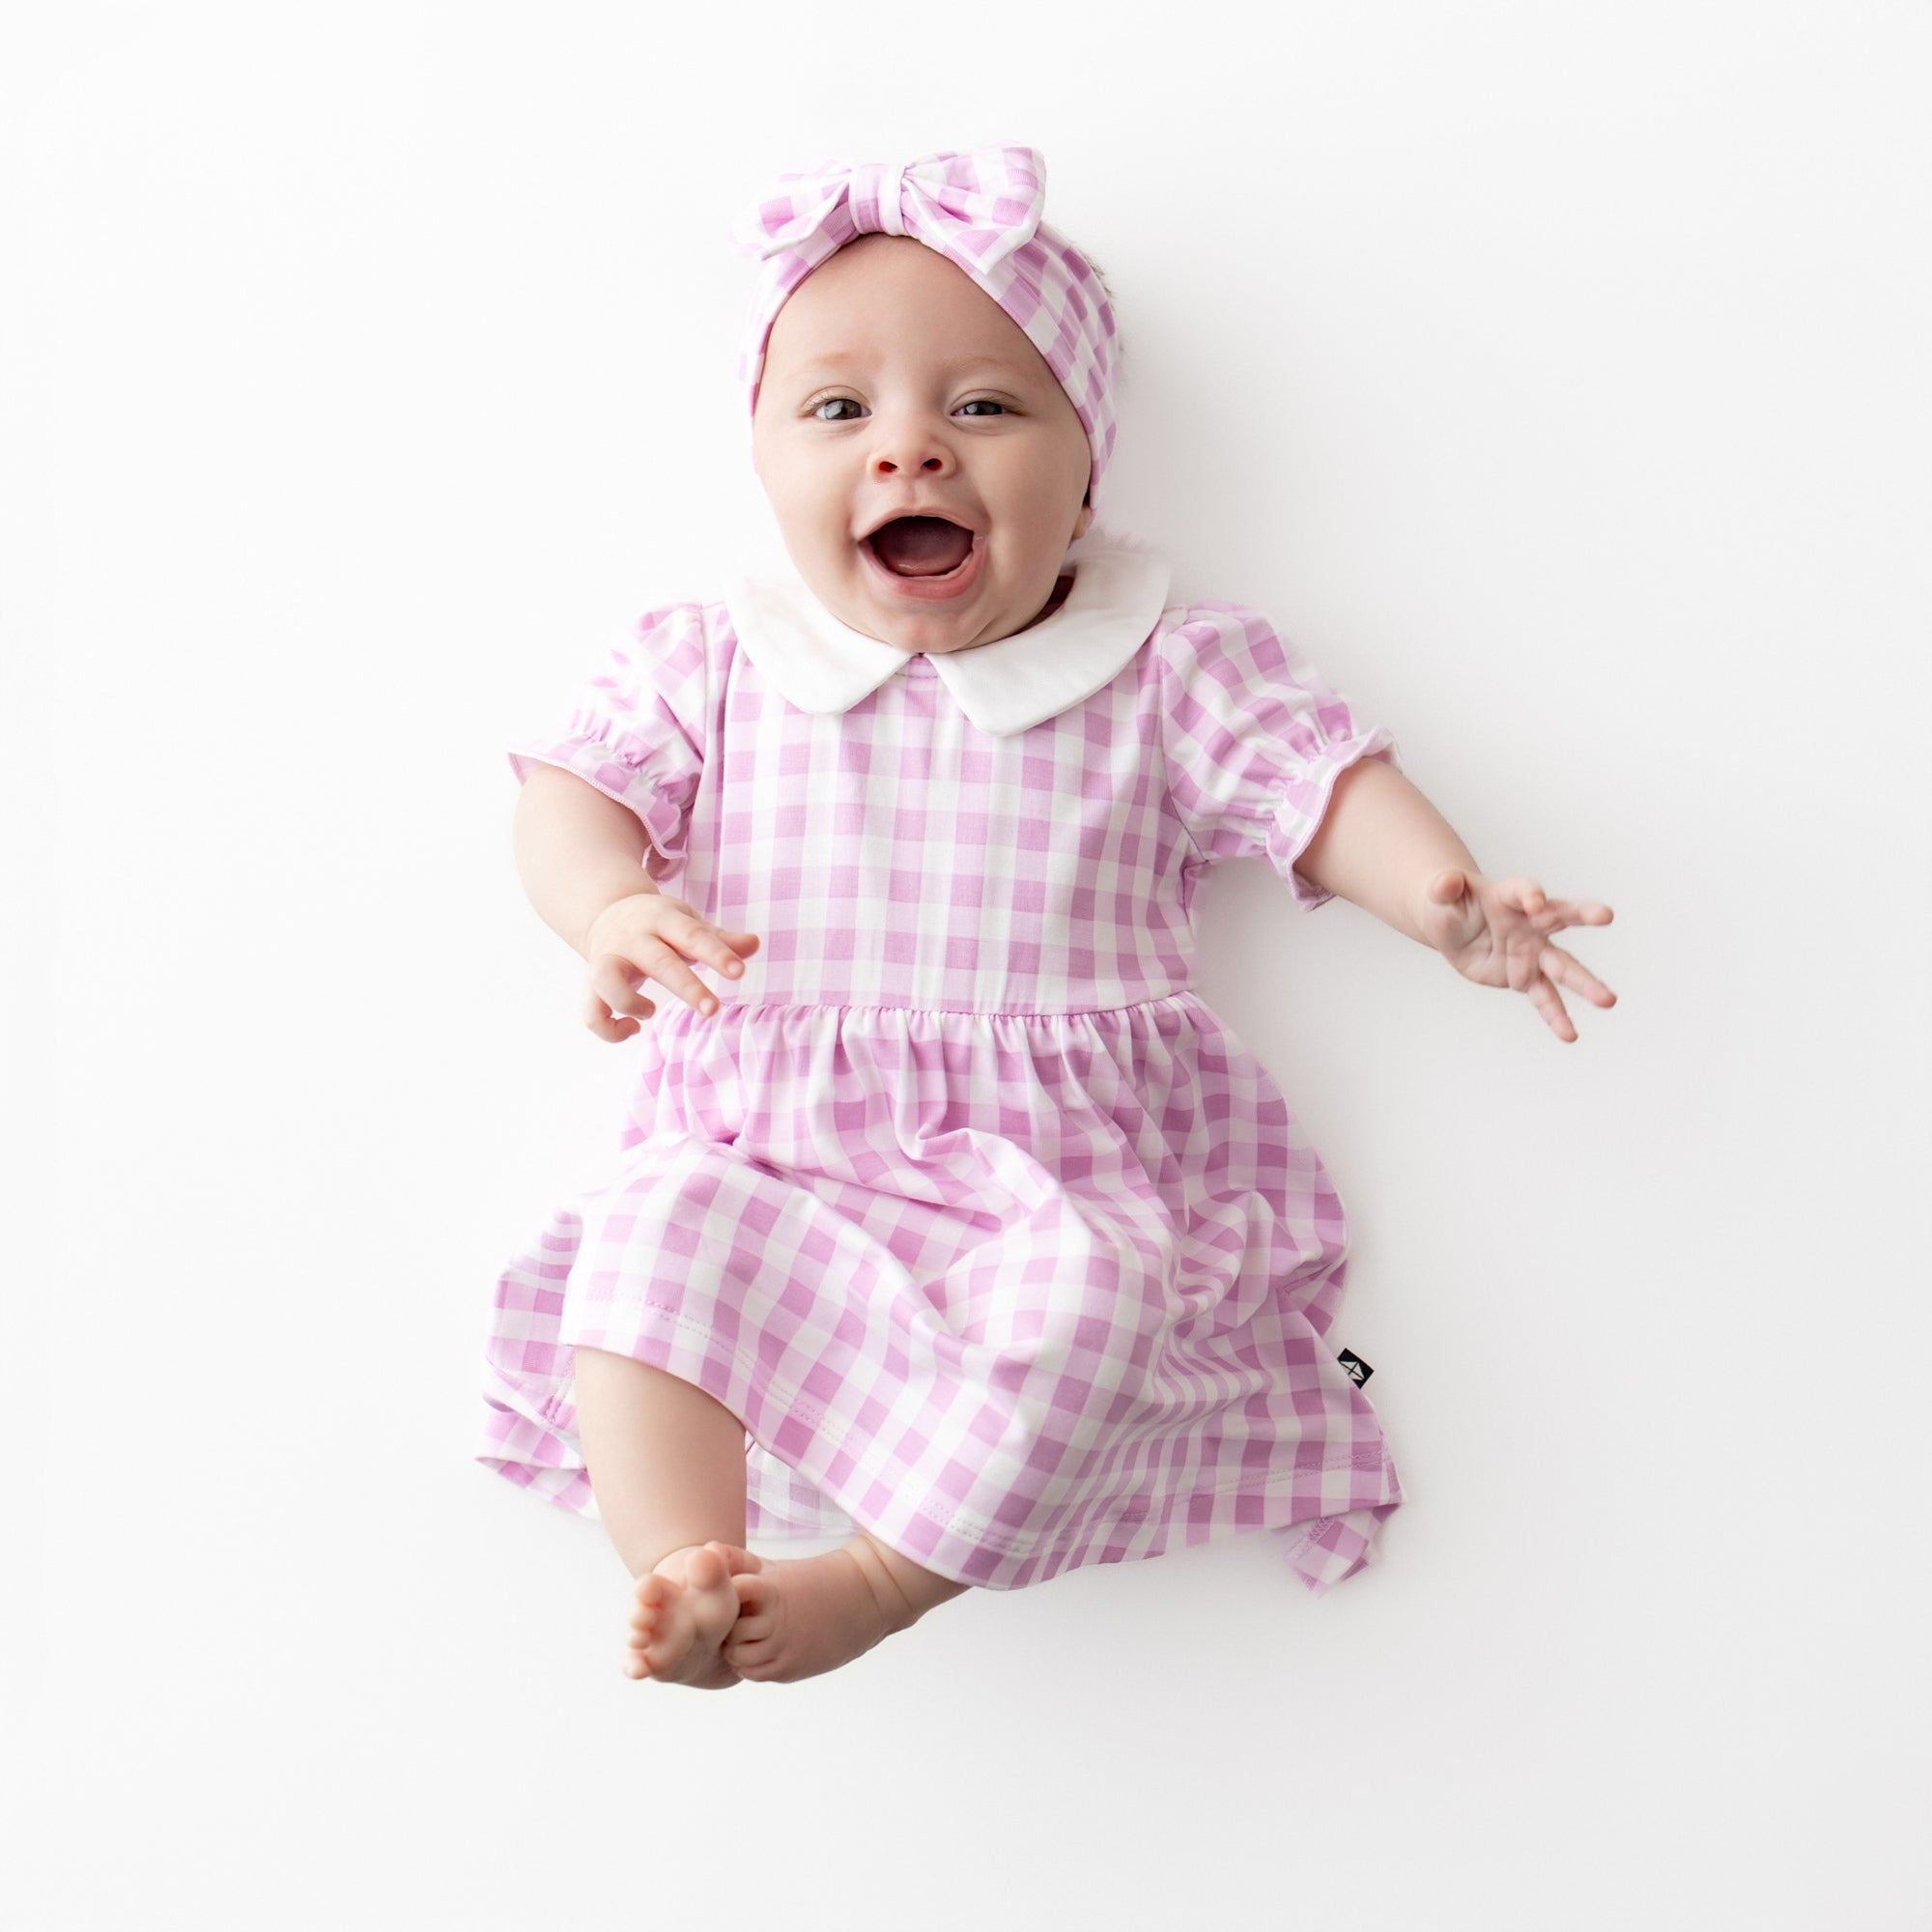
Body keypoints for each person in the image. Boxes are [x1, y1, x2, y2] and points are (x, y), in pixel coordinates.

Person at [475, 145, 1618, 1691]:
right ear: (762, 460)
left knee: (1095, 1303)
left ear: (1086, 469)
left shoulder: (1164, 669)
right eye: (837, 410)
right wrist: (605, 901)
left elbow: (1325, 786)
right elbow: (572, 790)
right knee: (648, 1236)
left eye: (984, 407)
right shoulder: (716, 665)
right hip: (769, 1151)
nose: (909, 453)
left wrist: (1445, 897)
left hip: (1051, 1175)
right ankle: (683, 1556)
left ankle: (879, 1581)